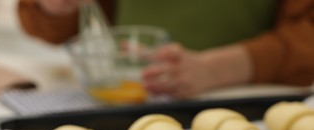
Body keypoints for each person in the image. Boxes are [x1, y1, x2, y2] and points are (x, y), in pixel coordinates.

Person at [18, 0, 314, 99]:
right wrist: (52, 7)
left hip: (253, 105)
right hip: (132, 99)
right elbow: (54, 26)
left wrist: (217, 68)